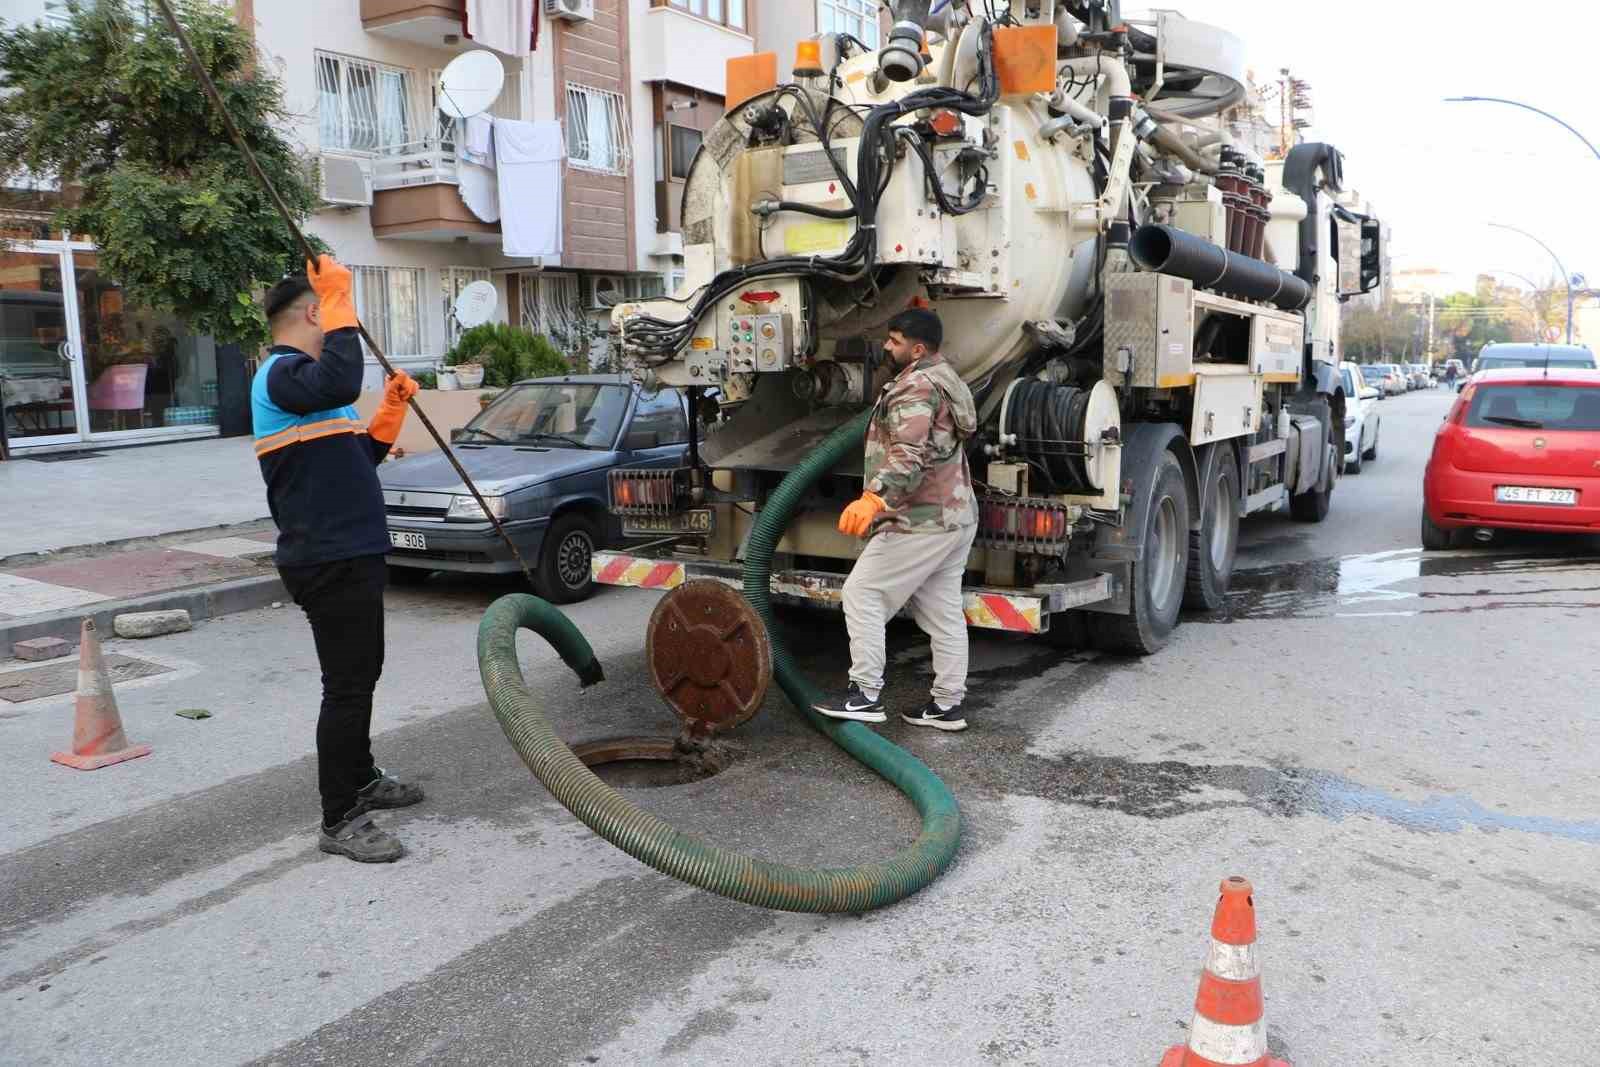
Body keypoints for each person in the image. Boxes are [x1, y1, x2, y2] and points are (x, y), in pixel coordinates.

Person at [255, 256, 424, 863]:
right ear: (312, 312)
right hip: (326, 559)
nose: (335, 318)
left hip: (351, 550)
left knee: (362, 675)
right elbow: (341, 380)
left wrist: (388, 416)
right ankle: (339, 817)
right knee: (347, 688)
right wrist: (342, 304)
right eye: (328, 307)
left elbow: (356, 463)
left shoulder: (308, 389)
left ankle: (363, 777)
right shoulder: (281, 375)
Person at [814, 308, 979, 732]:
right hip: (956, 516)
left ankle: (864, 695)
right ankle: (947, 706)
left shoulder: (916, 387)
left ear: (917, 349)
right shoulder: (944, 376)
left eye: (895, 340)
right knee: (942, 613)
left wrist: (873, 499)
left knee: (862, 593)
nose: (887, 346)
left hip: (921, 519)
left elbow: (909, 454)